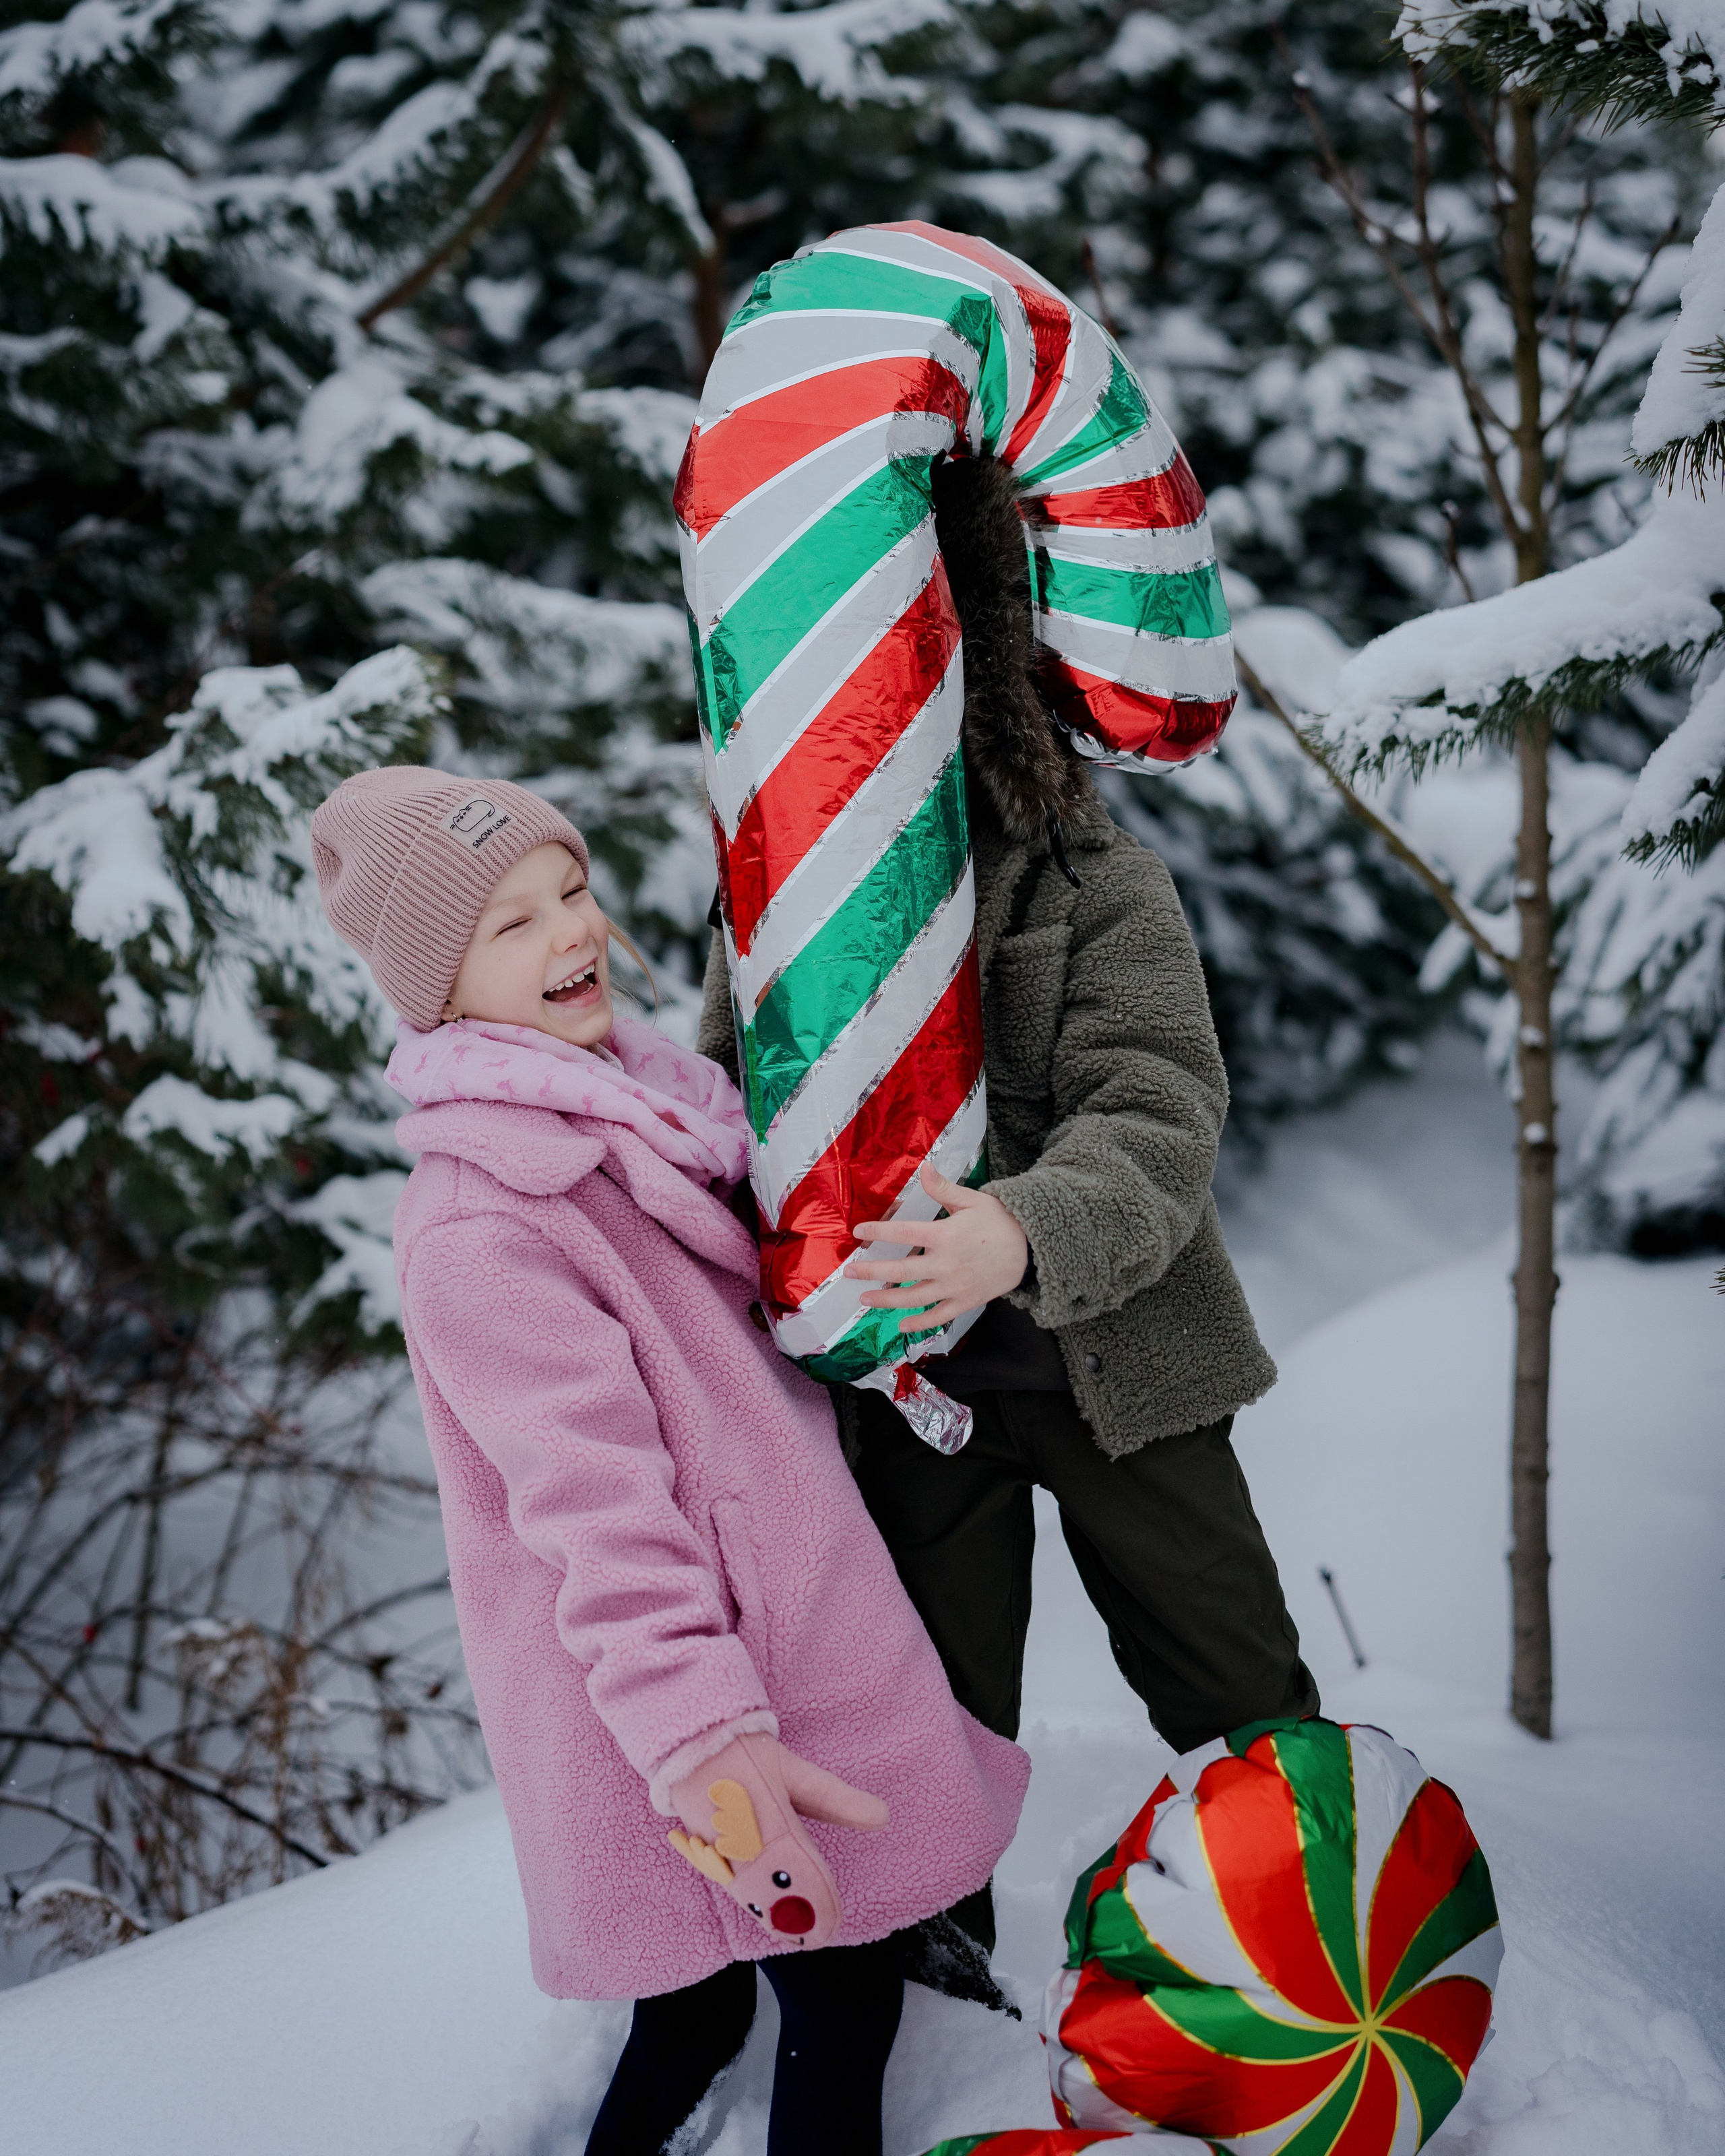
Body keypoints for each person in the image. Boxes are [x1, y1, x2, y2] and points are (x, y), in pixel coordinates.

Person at [311, 768, 1028, 2156]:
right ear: (439, 987)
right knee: (831, 1994)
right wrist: (706, 1741)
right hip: (692, 1694)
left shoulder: (646, 1109)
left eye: (568, 890)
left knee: (713, 2012)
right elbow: (594, 1517)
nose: (568, 932)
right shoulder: (485, 1224)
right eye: (508, 924)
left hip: (776, 1634)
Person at [699, 456, 1319, 1957]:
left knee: (1229, 1674)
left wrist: (1025, 1225)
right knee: (928, 1712)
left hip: (1125, 1371)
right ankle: (932, 1974)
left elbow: (1158, 1108)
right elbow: (745, 1122)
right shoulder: (793, 916)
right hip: (919, 1400)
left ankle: (1310, 1930)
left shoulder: (1094, 883)